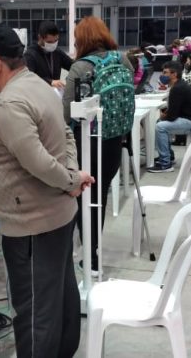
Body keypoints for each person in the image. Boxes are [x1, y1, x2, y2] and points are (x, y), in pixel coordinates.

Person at [0, 23, 93, 358]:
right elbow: (66, 135)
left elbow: (37, 161)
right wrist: (72, 176)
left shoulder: (12, 102)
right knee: (59, 293)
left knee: (35, 308)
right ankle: (64, 350)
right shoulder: (40, 86)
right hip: (54, 213)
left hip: (33, 223)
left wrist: (71, 180)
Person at [62, 16, 134, 275]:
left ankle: (84, 255)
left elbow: (66, 112)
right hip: (114, 140)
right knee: (99, 197)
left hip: (86, 143)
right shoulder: (123, 59)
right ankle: (93, 255)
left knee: (82, 197)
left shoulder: (80, 67)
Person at [148, 61, 191, 173]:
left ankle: (165, 164)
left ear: (174, 74)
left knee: (160, 127)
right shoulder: (179, 85)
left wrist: (164, 115)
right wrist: (165, 115)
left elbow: (172, 116)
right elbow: (175, 110)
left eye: (165, 72)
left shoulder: (177, 89)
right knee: (160, 122)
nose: (162, 75)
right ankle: (168, 156)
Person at [23, 20, 73, 90]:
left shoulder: (57, 52)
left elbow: (72, 65)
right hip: (39, 92)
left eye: (56, 41)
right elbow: (29, 78)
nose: (53, 44)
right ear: (40, 37)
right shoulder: (30, 55)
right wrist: (50, 82)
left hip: (56, 92)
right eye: (49, 42)